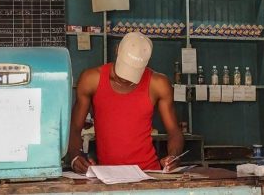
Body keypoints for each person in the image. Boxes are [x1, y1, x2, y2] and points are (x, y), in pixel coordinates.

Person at [68, 31, 184, 174]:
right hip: (107, 175)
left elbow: (174, 131)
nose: (126, 78)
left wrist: (174, 156)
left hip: (148, 173)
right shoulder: (91, 80)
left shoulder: (158, 84)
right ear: (117, 50)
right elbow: (74, 127)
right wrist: (74, 157)